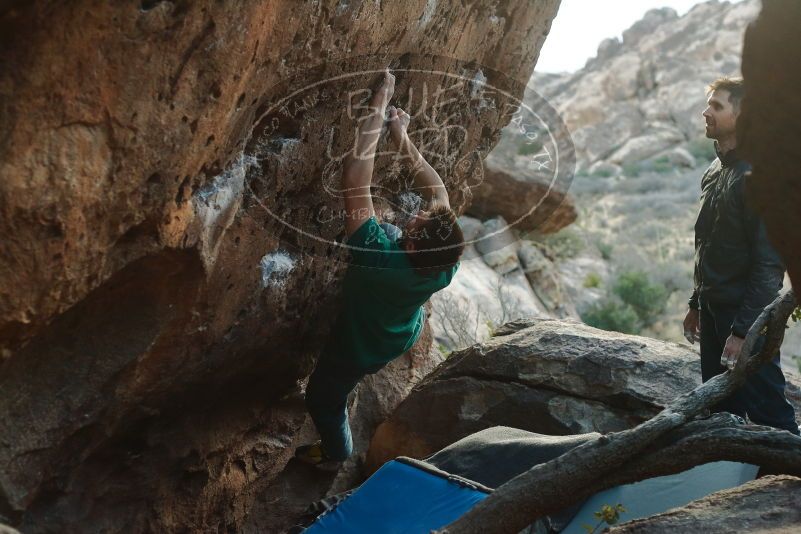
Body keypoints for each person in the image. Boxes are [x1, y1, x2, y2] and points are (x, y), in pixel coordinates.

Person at [296, 70, 466, 466]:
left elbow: (356, 179)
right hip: (398, 333)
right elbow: (438, 191)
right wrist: (401, 137)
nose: (420, 213)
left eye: (419, 221)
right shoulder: (444, 262)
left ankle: (337, 452)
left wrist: (380, 101)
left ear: (409, 245)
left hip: (358, 345)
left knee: (321, 397)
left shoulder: (378, 255)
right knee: (384, 224)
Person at [683, 77, 799, 435]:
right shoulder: (715, 171)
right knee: (719, 413)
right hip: (714, 313)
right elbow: (709, 244)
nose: (706, 112)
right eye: (708, 104)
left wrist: (743, 332)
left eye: (716, 106)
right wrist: (696, 303)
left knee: (771, 416)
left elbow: (768, 266)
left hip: (744, 318)